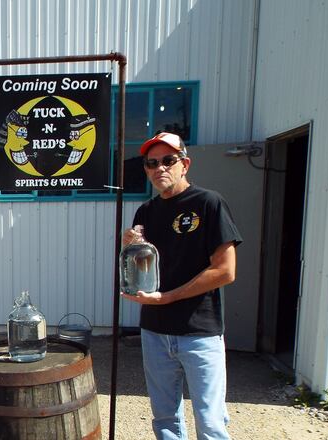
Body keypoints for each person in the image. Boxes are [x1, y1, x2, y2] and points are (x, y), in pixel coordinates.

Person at [121, 132, 242, 440]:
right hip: (155, 331)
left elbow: (226, 271)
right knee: (165, 421)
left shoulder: (208, 203)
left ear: (184, 164)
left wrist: (168, 297)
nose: (159, 168)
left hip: (199, 332)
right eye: (151, 163)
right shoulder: (146, 212)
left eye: (168, 160)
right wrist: (131, 250)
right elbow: (142, 269)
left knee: (211, 424)